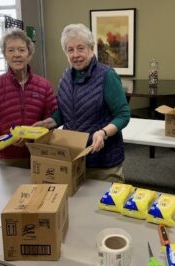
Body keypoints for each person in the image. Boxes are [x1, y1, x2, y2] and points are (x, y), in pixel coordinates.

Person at [35, 23, 130, 181]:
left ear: (91, 49)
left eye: (80, 48)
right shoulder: (65, 77)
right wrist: (48, 123)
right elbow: (64, 111)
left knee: (104, 205)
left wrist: (103, 132)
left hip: (103, 161)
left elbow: (123, 115)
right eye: (70, 50)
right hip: (75, 157)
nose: (75, 54)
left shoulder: (107, 76)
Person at [0, 28, 57, 168]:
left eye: (21, 50)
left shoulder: (44, 85)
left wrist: (37, 136)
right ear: (5, 55)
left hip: (38, 156)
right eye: (11, 50)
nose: (16, 55)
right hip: (7, 158)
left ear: (29, 54)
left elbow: (53, 119)